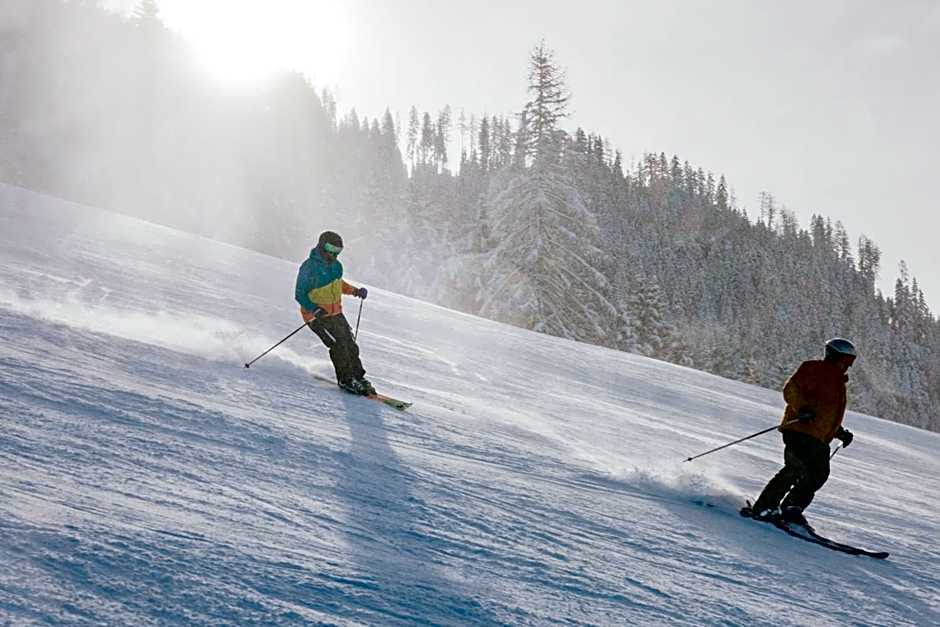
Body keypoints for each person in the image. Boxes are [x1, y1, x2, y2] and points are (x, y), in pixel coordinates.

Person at [745, 338, 857, 526]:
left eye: (850, 361)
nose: (847, 365)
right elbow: (791, 390)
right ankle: (764, 507)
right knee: (796, 468)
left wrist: (840, 432)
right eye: (846, 360)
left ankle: (791, 508)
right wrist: (802, 408)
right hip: (799, 429)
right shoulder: (813, 369)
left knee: (818, 475)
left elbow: (825, 414)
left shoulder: (839, 383)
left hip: (819, 438)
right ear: (833, 355)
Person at [294, 230, 374, 396]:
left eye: (338, 251)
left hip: (336, 313)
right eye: (331, 249)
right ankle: (346, 379)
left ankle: (358, 377)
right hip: (316, 316)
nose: (334, 254)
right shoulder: (309, 267)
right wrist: (313, 308)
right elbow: (299, 294)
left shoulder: (337, 266)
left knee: (350, 343)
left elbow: (339, 284)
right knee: (338, 345)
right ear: (322, 246)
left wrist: (355, 291)